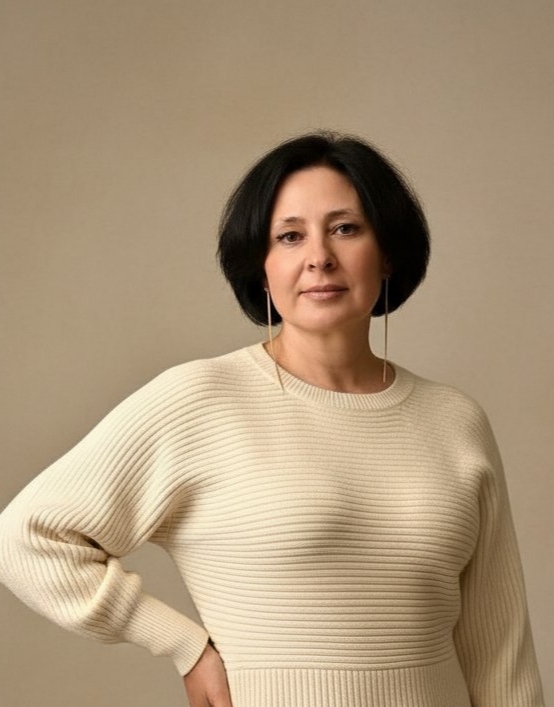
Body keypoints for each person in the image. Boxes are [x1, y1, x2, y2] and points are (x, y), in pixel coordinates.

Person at [0, 132, 545, 707]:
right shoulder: (200, 401)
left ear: (387, 253)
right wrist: (183, 645)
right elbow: (27, 537)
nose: (319, 257)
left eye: (345, 229)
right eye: (289, 236)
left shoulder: (455, 421)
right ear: (261, 271)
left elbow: (501, 657)